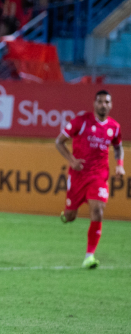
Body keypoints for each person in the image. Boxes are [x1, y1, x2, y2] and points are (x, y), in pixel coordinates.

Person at [56, 91, 124, 269]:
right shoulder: (81, 121)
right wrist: (72, 160)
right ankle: (67, 214)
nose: (103, 105)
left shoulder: (114, 127)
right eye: (100, 102)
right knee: (70, 217)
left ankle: (89, 256)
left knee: (98, 211)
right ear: (94, 104)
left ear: (111, 105)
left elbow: (118, 147)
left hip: (99, 177)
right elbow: (59, 142)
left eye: (106, 102)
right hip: (78, 176)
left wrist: (120, 164)